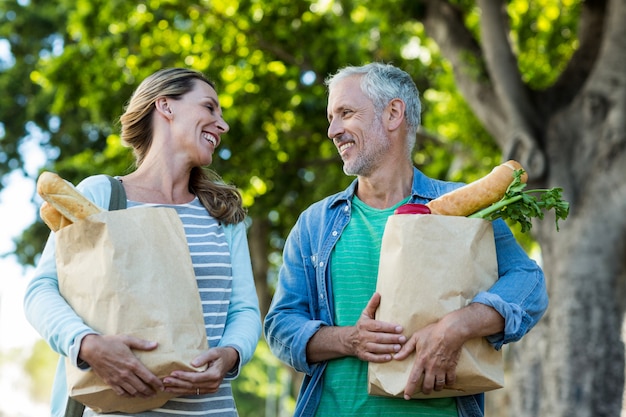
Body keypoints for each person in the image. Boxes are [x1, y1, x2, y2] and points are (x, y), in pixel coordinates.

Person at [263, 62, 548, 417]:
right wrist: (351, 340)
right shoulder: (315, 224)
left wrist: (457, 327)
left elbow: (530, 284)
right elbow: (280, 326)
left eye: (345, 113)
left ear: (393, 113)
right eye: (331, 117)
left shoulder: (465, 208)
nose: (332, 130)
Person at [24, 68, 262, 417]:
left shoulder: (223, 213)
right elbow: (41, 290)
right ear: (165, 106)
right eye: (210, 108)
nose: (222, 125)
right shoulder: (101, 196)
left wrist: (230, 354)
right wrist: (87, 345)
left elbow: (243, 310)